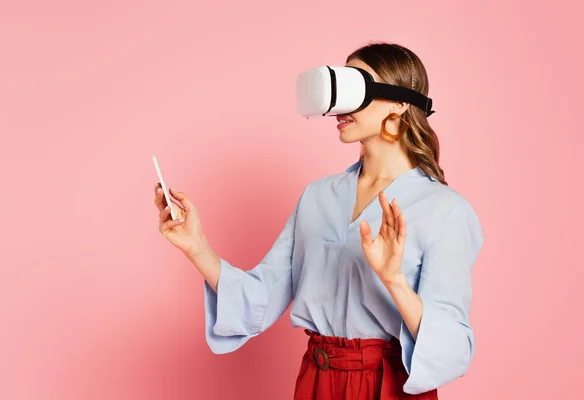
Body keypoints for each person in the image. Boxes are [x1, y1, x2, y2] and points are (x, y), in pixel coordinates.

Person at [153, 42, 484, 400]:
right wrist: (197, 247)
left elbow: (452, 345)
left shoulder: (445, 209)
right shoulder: (317, 196)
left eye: (354, 87)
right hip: (317, 380)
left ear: (400, 102)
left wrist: (394, 281)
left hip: (389, 386)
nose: (339, 107)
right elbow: (260, 298)